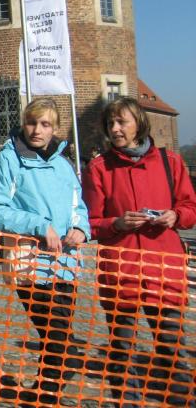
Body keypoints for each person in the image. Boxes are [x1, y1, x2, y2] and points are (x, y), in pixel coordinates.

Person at [82, 97, 196, 407]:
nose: (115, 129)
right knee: (123, 353)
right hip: (122, 272)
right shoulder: (99, 168)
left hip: (165, 270)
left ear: (139, 124)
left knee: (171, 348)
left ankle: (181, 401)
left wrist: (175, 216)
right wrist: (116, 223)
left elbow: (190, 208)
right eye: (111, 123)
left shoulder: (170, 162)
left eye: (122, 122)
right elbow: (89, 222)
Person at [0, 98, 90, 406]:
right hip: (28, 262)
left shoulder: (63, 164)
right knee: (57, 338)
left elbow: (78, 206)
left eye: (45, 124)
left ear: (55, 128)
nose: (37, 130)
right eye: (32, 122)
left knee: (56, 338)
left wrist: (81, 228)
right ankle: (43, 394)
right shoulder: (8, 160)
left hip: (65, 263)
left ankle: (39, 395)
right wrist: (39, 225)